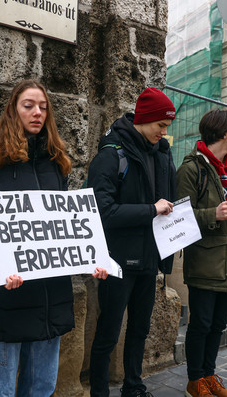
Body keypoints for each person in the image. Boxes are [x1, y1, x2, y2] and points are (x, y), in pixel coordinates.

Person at [0, 79, 107, 396]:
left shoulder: (58, 161)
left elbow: (64, 225)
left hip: (49, 294)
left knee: (41, 386)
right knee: (1, 387)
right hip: (7, 292)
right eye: (28, 105)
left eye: (43, 107)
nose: (37, 112)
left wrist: (90, 257)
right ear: (13, 109)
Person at [88, 87, 177, 397]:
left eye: (167, 127)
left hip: (149, 259)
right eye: (161, 125)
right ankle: (99, 392)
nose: (164, 132)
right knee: (108, 333)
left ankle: (133, 387)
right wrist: (151, 209)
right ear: (144, 119)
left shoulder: (163, 154)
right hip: (117, 262)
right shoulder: (111, 155)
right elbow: (102, 211)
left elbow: (172, 201)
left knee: (140, 330)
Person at [176, 109, 227, 397]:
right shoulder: (191, 169)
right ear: (224, 134)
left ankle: (209, 376)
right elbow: (178, 216)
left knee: (218, 324)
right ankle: (195, 382)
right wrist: (213, 213)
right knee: (202, 324)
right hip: (206, 260)